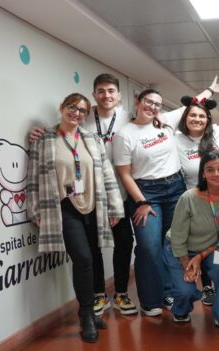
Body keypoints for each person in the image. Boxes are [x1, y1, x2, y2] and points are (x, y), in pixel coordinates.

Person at [28, 74, 136, 316]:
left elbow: (158, 113)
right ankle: (97, 297)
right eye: (101, 91)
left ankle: (121, 292)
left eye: (111, 91)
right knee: (89, 252)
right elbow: (35, 176)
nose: (77, 113)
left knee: (124, 242)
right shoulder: (60, 134)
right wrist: (39, 134)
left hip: (113, 195)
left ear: (118, 95)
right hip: (74, 201)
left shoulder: (129, 118)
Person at [113, 89, 187, 317]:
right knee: (148, 247)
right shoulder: (125, 135)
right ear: (138, 102)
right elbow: (124, 174)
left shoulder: (164, 125)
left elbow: (191, 105)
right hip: (146, 194)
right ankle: (150, 299)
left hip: (176, 189)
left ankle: (167, 291)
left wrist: (210, 91)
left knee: (171, 245)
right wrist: (142, 201)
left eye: (157, 104)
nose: (152, 107)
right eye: (148, 101)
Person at [169, 151, 219, 333]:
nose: (216, 174)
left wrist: (201, 256)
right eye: (210, 169)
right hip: (181, 250)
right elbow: (178, 236)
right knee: (185, 291)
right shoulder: (188, 198)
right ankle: (181, 309)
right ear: (203, 174)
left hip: (212, 249)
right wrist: (188, 263)